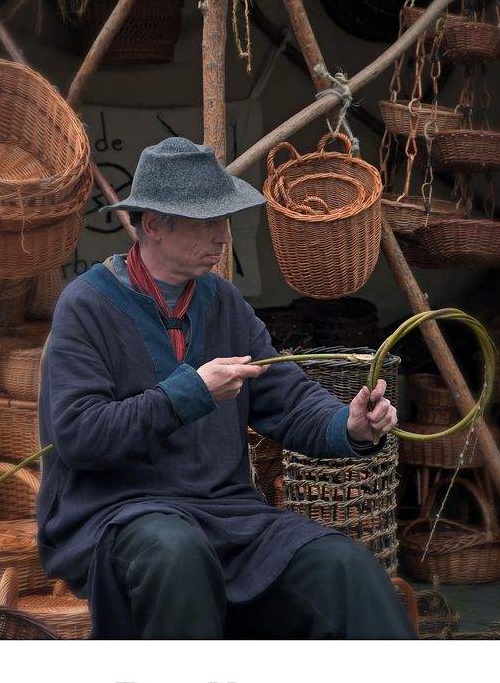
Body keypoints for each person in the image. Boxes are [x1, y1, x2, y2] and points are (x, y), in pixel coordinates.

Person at [37, 137, 416, 639]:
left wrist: (349, 423)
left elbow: (285, 396)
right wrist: (189, 393)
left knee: (345, 567)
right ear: (153, 224)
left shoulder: (225, 302)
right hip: (121, 514)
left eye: (226, 218)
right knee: (175, 553)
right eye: (207, 220)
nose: (223, 235)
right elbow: (80, 436)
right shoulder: (85, 306)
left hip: (227, 514)